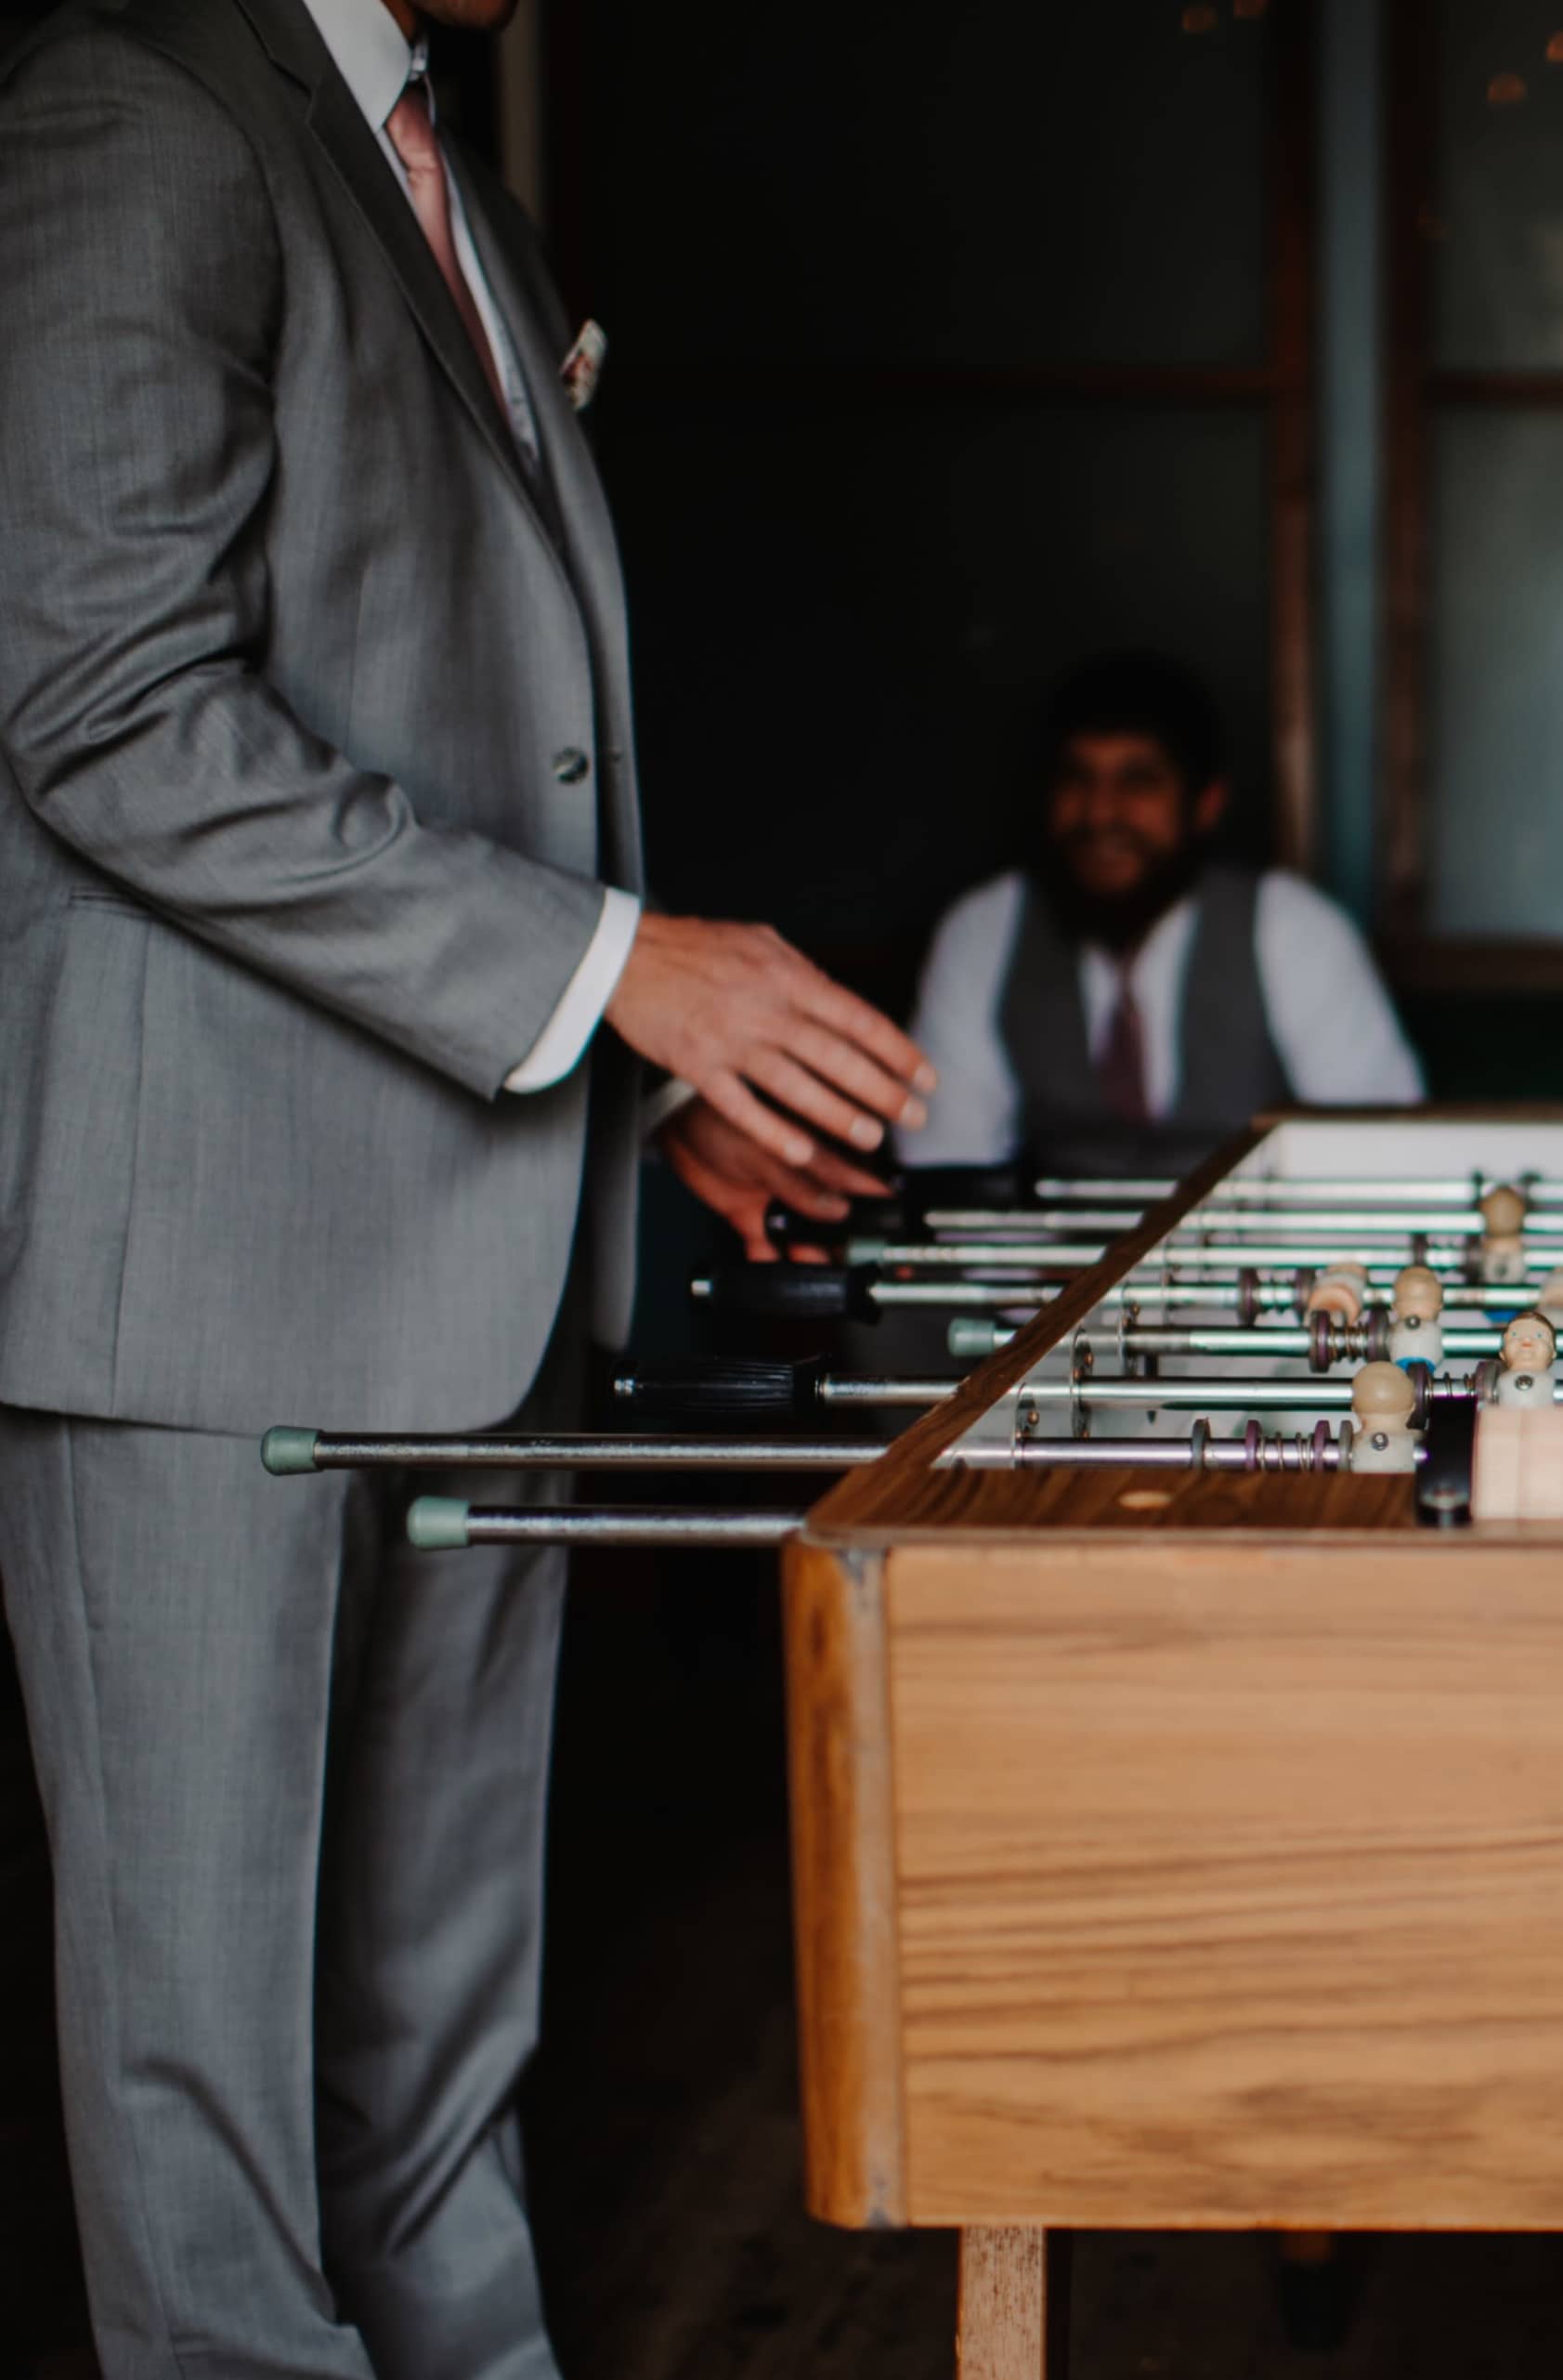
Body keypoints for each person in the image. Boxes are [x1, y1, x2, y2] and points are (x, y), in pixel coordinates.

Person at [0, 0, 931, 2368]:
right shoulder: (138, 101)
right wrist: (623, 968)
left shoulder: (460, 177)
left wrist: (636, 1084)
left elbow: (453, 727)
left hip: (484, 1262)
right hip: (192, 1282)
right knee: (201, 2089)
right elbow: (104, 702)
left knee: (437, 2063)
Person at [900, 651, 1422, 1178]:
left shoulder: (1292, 927)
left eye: (1138, 781)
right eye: (1077, 780)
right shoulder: (986, 930)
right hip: (1053, 1259)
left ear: (1206, 804)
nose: (1100, 813)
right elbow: (948, 1163)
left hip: (1252, 1255)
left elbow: (1380, 1152)